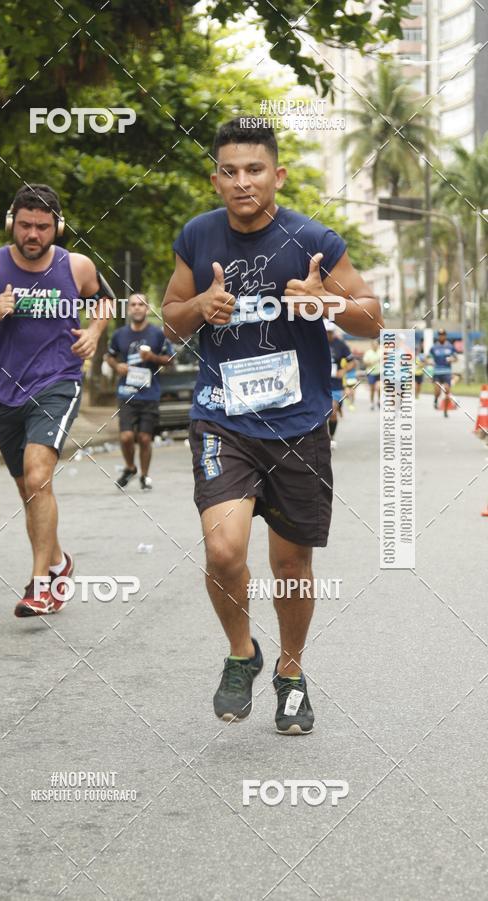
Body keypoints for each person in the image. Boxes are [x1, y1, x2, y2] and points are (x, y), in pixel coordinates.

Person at [162, 119, 382, 735]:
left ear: (277, 175)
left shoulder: (312, 239)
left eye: (254, 169)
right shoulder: (197, 236)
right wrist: (198, 308)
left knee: (290, 565)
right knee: (224, 549)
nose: (242, 182)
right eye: (229, 171)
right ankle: (242, 654)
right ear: (216, 179)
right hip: (221, 418)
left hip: (298, 424)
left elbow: (372, 316)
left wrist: (325, 304)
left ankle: (290, 671)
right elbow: (171, 320)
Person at [0, 184, 112, 616]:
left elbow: (104, 302)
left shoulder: (76, 266)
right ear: (12, 224)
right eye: (25, 225)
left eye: (42, 226)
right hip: (4, 392)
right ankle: (59, 564)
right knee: (29, 490)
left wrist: (94, 333)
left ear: (57, 228)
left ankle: (40, 585)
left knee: (39, 476)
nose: (33, 234)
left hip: (58, 382)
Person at [106, 293, 173, 489]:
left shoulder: (157, 334)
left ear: (147, 309)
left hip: (150, 393)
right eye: (133, 305)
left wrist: (153, 357)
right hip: (126, 392)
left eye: (141, 305)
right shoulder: (120, 334)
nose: (137, 308)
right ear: (128, 309)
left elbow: (170, 360)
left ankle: (144, 475)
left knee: (144, 438)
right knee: (126, 436)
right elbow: (108, 356)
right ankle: (130, 467)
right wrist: (116, 366)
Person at [326, 320, 355, 447]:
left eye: (330, 332)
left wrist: (343, 370)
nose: (328, 335)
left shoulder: (340, 345)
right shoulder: (315, 342)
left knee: (332, 412)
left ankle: (331, 437)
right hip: (319, 384)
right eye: (326, 332)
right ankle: (321, 439)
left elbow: (352, 362)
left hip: (335, 385)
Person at [430, 328, 457, 417]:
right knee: (437, 391)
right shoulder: (434, 347)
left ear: (445, 336)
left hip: (447, 372)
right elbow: (428, 357)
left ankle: (445, 411)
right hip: (437, 372)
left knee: (447, 391)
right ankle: (436, 399)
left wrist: (452, 359)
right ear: (438, 336)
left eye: (443, 335)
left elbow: (456, 358)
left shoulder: (450, 346)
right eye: (440, 335)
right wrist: (430, 361)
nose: (442, 336)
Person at [363, 339, 381, 409]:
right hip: (371, 373)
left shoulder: (381, 352)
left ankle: (379, 401)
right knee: (372, 389)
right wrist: (371, 362)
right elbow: (365, 363)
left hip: (379, 372)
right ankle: (371, 402)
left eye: (376, 344)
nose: (375, 346)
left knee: (380, 387)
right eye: (374, 344)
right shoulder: (368, 353)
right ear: (371, 345)